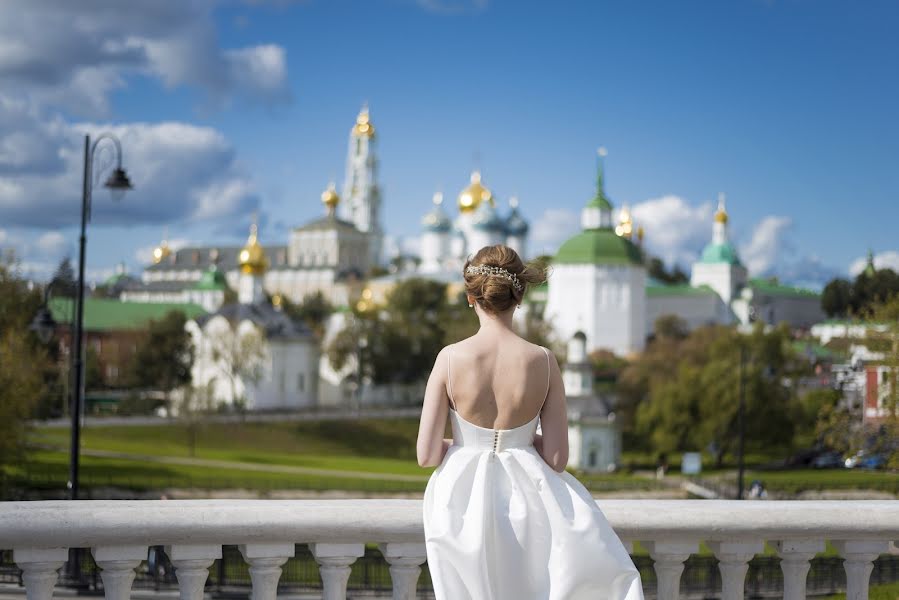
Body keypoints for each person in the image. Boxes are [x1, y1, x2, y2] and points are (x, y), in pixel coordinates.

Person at [417, 244, 644, 600]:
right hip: (529, 500)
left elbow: (427, 455)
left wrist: (466, 445)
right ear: (518, 296)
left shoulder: (449, 358)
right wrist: (518, 443)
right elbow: (556, 457)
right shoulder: (544, 360)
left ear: (470, 297)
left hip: (460, 502)